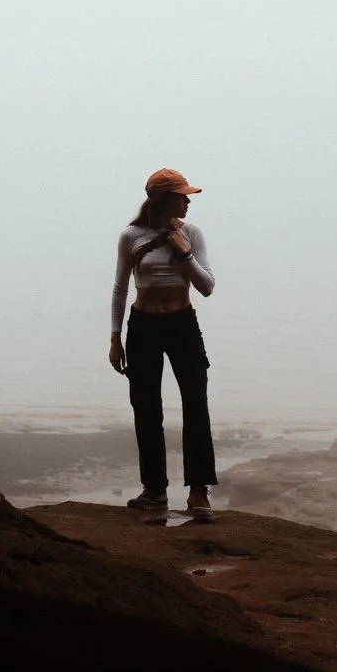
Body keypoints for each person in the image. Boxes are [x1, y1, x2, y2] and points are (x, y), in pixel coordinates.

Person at [109, 167, 217, 522]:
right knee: (146, 407)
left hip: (182, 323)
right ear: (162, 199)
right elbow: (121, 287)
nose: (187, 201)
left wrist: (184, 254)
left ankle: (198, 493)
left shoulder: (191, 233)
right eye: (182, 195)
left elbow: (207, 286)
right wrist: (115, 336)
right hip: (142, 326)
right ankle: (155, 491)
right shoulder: (131, 236)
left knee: (195, 403)